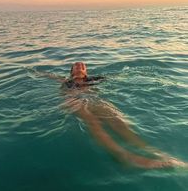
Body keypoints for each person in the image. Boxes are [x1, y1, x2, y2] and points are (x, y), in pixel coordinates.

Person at [35, 62, 187, 169]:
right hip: (74, 100)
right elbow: (51, 76)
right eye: (76, 65)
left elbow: (119, 78)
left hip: (93, 100)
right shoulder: (67, 81)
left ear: (86, 71)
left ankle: (154, 152)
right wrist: (36, 72)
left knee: (115, 118)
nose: (80, 66)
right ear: (71, 71)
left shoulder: (94, 79)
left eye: (83, 65)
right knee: (92, 121)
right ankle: (123, 156)